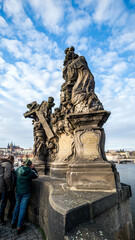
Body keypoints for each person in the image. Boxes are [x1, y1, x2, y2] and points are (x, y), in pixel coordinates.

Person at [11, 159, 38, 235]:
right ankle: (19, 227)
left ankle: (13, 222)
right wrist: (33, 168)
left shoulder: (18, 169)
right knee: (22, 209)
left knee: (17, 206)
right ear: (30, 165)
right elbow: (37, 175)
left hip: (18, 191)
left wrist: (22, 165)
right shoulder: (30, 172)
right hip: (26, 192)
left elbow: (15, 173)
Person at [0, 155, 16, 225]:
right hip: (5, 187)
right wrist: (9, 186)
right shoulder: (8, 164)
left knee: (3, 203)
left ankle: (3, 218)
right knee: (4, 203)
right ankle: (2, 220)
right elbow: (7, 177)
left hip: (1, 186)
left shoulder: (2, 163)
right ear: (12, 160)